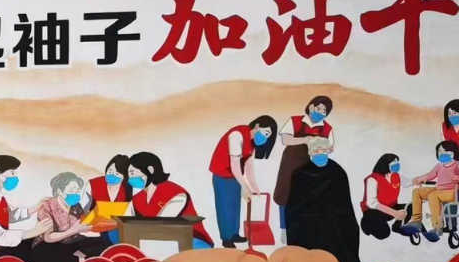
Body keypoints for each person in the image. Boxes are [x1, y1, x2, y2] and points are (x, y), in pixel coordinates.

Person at [284, 139, 362, 262]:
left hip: (333, 219)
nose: (320, 154)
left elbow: (345, 203)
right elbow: (294, 205)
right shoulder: (299, 174)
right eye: (316, 151)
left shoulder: (337, 172)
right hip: (308, 220)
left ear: (329, 151)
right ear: (310, 153)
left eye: (323, 151)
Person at [209, 115, 279, 247]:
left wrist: (254, 187)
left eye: (268, 136)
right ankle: (226, 239)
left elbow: (248, 166)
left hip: (235, 176)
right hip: (222, 174)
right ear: (257, 126)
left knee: (235, 205)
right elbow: (235, 165)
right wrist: (244, 186)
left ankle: (234, 234)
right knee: (225, 207)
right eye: (265, 133)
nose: (265, 137)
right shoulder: (237, 136)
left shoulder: (252, 143)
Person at [26, 172, 113, 262]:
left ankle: (80, 260)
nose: (76, 193)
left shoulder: (75, 205)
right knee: (50, 259)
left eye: (77, 190)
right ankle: (80, 261)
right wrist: (74, 230)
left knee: (102, 245)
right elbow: (48, 237)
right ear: (60, 191)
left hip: (70, 242)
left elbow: (81, 226)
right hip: (49, 245)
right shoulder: (47, 206)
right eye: (72, 190)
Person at [127, 151, 214, 248]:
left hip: (192, 239)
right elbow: (126, 218)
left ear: (150, 170)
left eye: (132, 173)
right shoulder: (137, 199)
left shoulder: (176, 193)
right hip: (158, 241)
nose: (130, 178)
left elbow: (161, 224)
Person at [275, 95, 335, 226]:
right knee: (285, 194)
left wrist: (320, 147)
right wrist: (305, 139)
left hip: (312, 166)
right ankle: (284, 229)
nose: (321, 113)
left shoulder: (327, 128)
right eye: (319, 109)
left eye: (324, 111)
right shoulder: (295, 120)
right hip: (291, 164)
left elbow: (331, 148)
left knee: (309, 197)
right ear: (311, 107)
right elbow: (285, 140)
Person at [402, 141, 459, 242]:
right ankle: (416, 221)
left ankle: (437, 227)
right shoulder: (439, 166)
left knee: (433, 195)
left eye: (445, 151)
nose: (442, 153)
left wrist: (457, 178)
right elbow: (429, 175)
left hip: (454, 191)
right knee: (417, 192)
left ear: (453, 153)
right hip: (439, 190)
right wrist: (418, 179)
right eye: (440, 151)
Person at [85, 154, 134, 243]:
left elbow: (131, 213)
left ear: (124, 176)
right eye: (110, 171)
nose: (112, 175)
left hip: (118, 229)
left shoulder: (129, 188)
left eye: (117, 174)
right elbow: (84, 212)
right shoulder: (93, 185)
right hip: (95, 229)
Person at [360, 154, 409, 240]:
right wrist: (395, 213)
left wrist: (424, 180)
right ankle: (366, 223)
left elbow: (410, 182)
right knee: (384, 233)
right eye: (394, 163)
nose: (397, 165)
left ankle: (397, 227)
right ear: (385, 164)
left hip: (390, 208)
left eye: (397, 162)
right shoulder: (372, 179)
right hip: (374, 211)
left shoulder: (395, 176)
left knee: (411, 207)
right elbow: (372, 203)